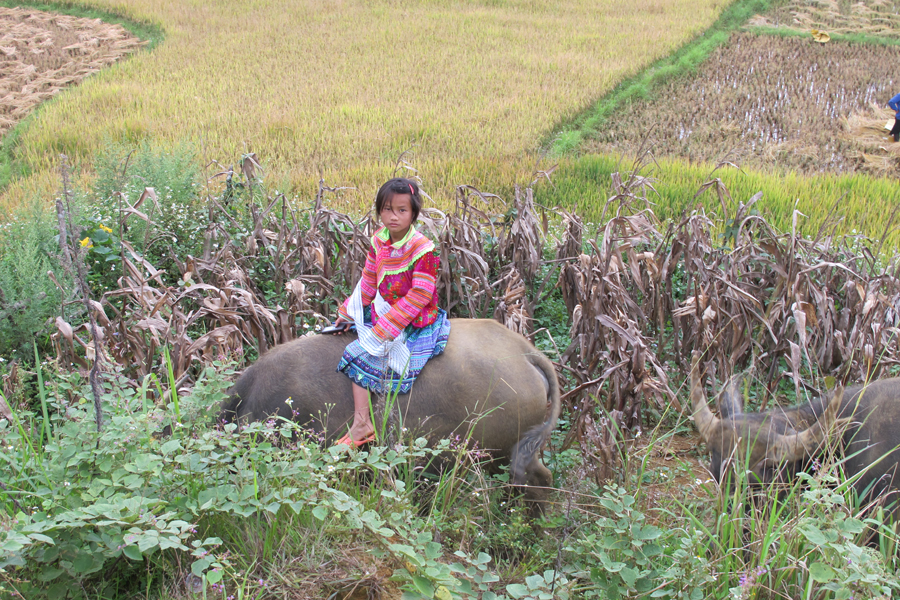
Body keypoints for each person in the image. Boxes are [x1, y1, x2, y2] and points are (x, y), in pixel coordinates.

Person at [330, 177, 450, 446]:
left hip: (413, 319)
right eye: (386, 209)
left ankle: (362, 423)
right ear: (379, 210)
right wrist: (351, 311)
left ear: (414, 213)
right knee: (352, 331)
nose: (393, 216)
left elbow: (419, 295)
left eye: (401, 210)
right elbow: (369, 280)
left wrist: (384, 330)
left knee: (357, 353)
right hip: (387, 310)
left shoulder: (422, 249)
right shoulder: (379, 241)